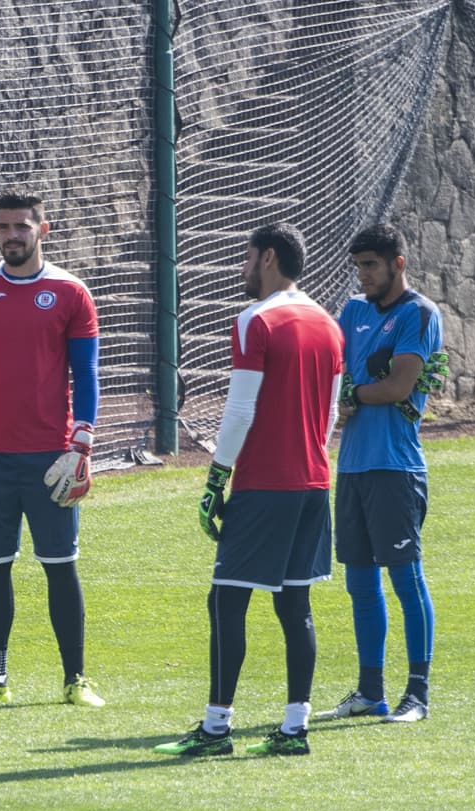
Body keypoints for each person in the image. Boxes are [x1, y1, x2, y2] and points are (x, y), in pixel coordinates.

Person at [154, 223, 343, 758]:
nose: (241, 268)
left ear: (266, 259)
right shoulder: (330, 326)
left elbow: (240, 411)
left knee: (226, 602)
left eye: (245, 257)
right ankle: (294, 728)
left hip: (265, 485)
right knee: (294, 604)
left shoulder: (255, 320)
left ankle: (216, 730)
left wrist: (217, 477)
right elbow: (329, 415)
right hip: (313, 481)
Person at [0, 188, 105, 708]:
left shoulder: (72, 292)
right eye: (3, 227)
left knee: (61, 565)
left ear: (43, 230)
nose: (12, 235)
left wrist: (81, 445)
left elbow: (88, 373)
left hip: (50, 458)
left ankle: (75, 680)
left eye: (22, 227)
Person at [313, 223, 445, 724]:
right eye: (359, 265)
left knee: (406, 579)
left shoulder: (419, 313)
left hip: (396, 468)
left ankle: (418, 694)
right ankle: (371, 692)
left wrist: (347, 398)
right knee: (360, 585)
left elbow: (398, 387)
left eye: (372, 265)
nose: (363, 275)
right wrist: (338, 398)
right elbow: (332, 373)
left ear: (398, 264)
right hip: (352, 469)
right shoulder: (352, 311)